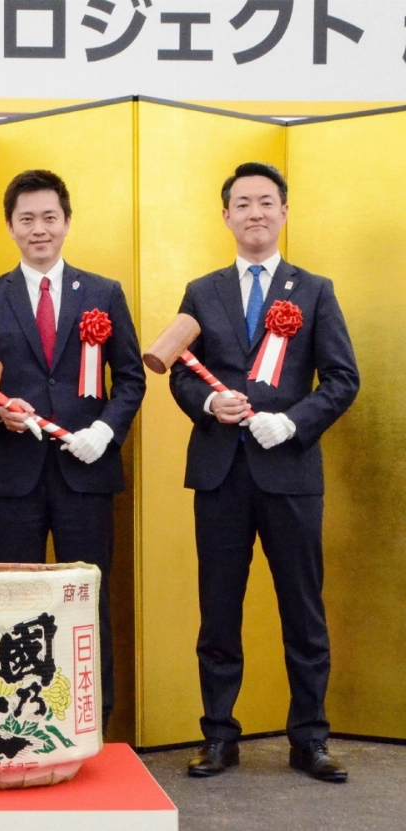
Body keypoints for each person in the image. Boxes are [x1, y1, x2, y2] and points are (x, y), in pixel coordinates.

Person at [169, 162, 359, 782]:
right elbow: (178, 368)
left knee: (302, 609)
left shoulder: (315, 289)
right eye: (242, 203)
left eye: (266, 202)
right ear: (225, 215)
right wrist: (206, 402)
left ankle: (309, 737)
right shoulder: (202, 290)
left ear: (283, 212)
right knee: (218, 608)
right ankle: (219, 736)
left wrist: (295, 422)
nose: (254, 212)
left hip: (291, 473)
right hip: (221, 472)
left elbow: (341, 378)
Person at [0, 169, 146, 733]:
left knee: (86, 601)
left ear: (67, 222)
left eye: (49, 217)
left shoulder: (103, 293)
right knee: (14, 601)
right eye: (27, 219)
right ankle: (16, 722)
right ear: (10, 226)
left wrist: (105, 433)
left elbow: (130, 379)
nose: (39, 229)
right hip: (12, 477)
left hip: (86, 472)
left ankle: (92, 721)